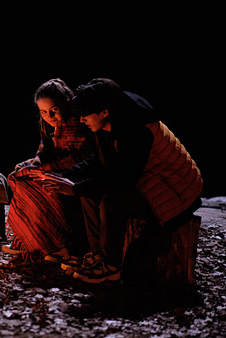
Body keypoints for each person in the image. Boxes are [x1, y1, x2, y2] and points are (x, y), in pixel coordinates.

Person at [36, 78, 203, 283]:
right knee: (88, 193)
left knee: (111, 201)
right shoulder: (110, 125)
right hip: (149, 180)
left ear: (104, 111)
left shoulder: (136, 131)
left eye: (86, 115)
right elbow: (98, 161)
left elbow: (122, 179)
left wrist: (76, 188)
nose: (81, 120)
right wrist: (65, 176)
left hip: (175, 191)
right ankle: (96, 256)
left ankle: (110, 265)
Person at [4, 78, 94, 262]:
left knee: (34, 185)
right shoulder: (48, 126)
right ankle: (31, 241)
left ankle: (56, 245)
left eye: (54, 110)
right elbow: (44, 153)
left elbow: (76, 159)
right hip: (55, 171)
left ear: (66, 103)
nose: (49, 116)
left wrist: (43, 169)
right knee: (16, 177)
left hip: (73, 177)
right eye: (43, 112)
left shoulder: (76, 125)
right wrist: (31, 164)